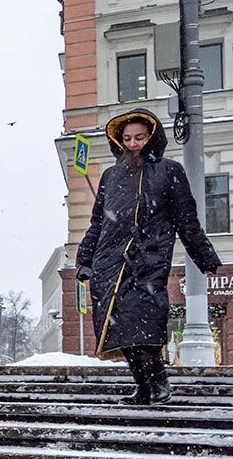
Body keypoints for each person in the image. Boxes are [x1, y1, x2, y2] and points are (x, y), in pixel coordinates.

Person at [76, 108, 221, 405]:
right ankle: (142, 387)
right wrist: (85, 259)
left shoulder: (169, 171)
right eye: (127, 138)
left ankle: (159, 383)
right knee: (118, 329)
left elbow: (186, 219)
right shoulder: (111, 176)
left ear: (152, 137)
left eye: (139, 137)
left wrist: (204, 255)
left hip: (147, 261)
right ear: (119, 141)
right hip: (108, 263)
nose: (133, 143)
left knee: (144, 324)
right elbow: (97, 223)